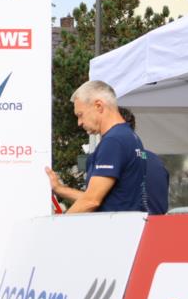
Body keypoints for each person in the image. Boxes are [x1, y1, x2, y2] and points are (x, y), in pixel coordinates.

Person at [45, 81, 154, 214]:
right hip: (128, 222)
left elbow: (91, 201)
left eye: (80, 115)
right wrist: (60, 189)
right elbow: (105, 199)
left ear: (99, 106)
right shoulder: (129, 136)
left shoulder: (114, 141)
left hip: (114, 225)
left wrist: (58, 224)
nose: (79, 123)